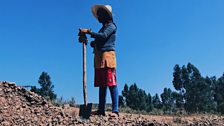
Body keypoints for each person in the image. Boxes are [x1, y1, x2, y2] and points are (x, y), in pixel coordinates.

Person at [80, 4, 119, 117]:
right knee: (102, 84)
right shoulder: (103, 27)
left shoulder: (112, 26)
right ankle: (101, 110)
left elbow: (103, 36)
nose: (98, 16)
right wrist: (89, 42)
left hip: (107, 57)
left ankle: (115, 111)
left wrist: (89, 32)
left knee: (111, 83)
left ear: (106, 15)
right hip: (99, 57)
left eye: (100, 14)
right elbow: (99, 40)